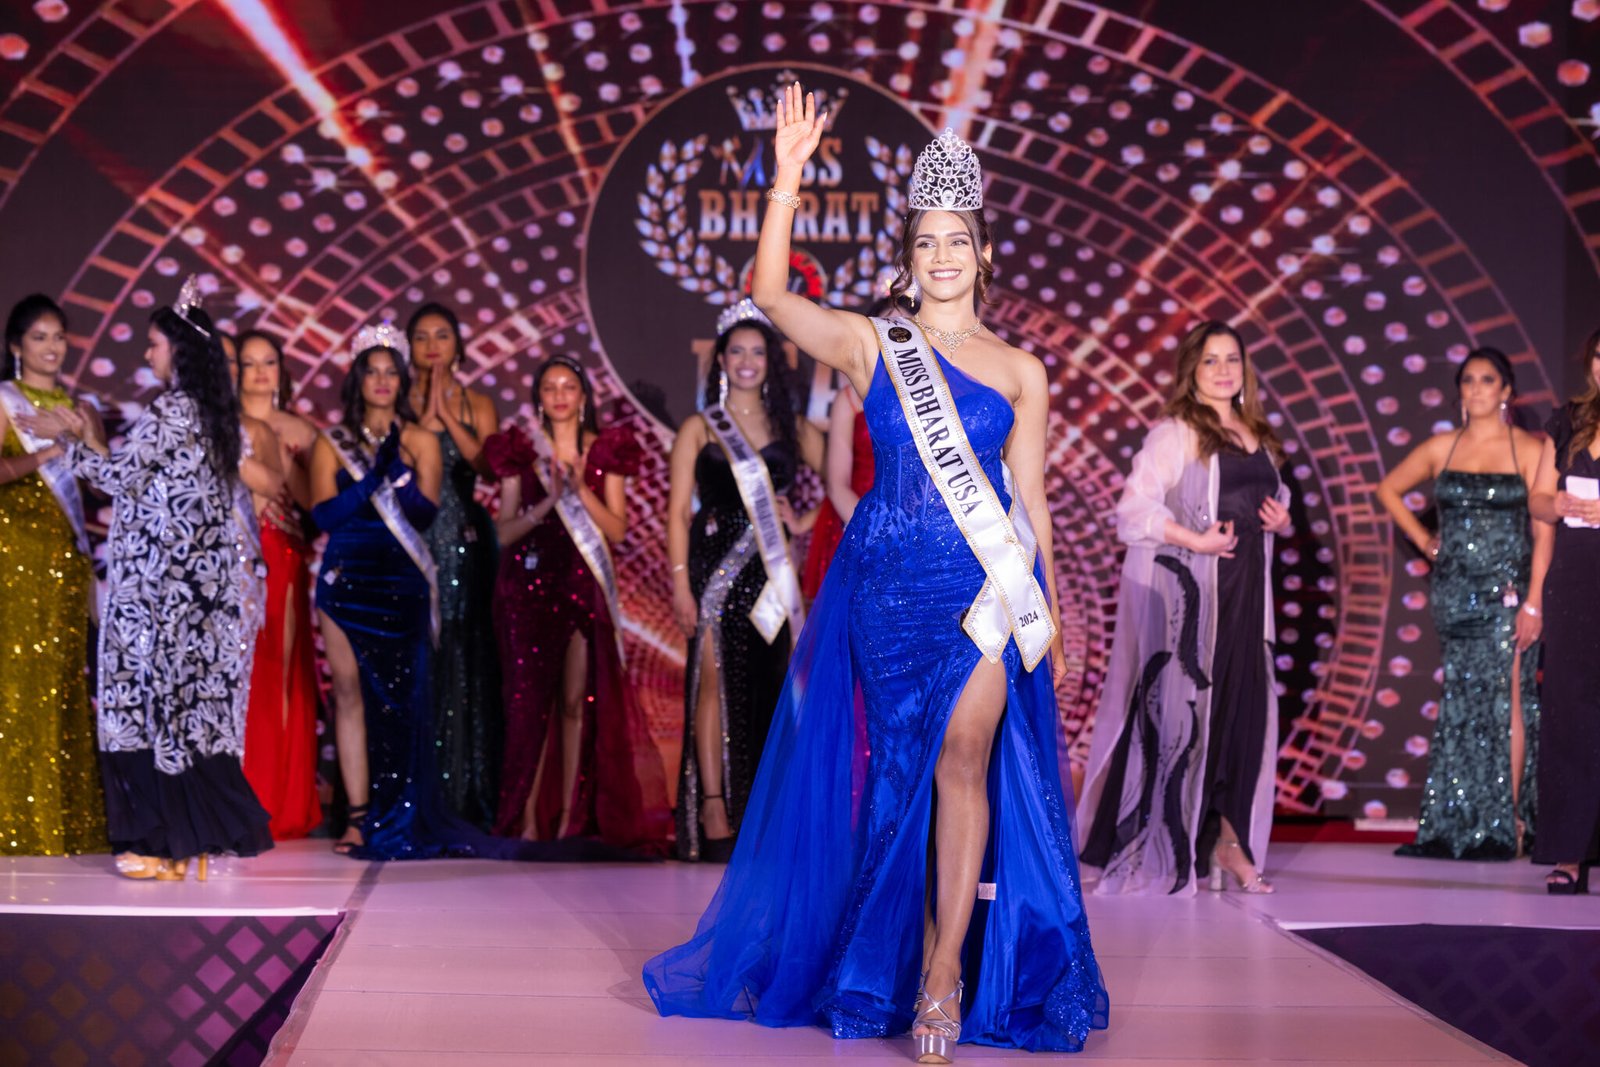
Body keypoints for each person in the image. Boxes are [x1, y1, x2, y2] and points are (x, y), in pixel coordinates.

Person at [645, 87, 1108, 1060]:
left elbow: (1028, 502)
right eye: (925, 242)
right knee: (898, 779)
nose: (942, 257)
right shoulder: (871, 341)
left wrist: (1053, 614)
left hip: (980, 594)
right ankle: (887, 957)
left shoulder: (1021, 370)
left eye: (957, 241)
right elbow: (774, 299)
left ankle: (941, 975)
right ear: (908, 255)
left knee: (964, 758)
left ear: (984, 252)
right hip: (886, 592)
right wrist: (785, 178)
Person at [22, 280, 273, 880]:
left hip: (161, 595)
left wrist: (64, 439)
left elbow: (118, 479)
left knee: (148, 710)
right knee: (181, 716)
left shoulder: (172, 409)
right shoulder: (214, 415)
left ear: (178, 350)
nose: (147, 354)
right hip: (197, 593)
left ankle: (162, 844)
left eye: (155, 344)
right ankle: (182, 847)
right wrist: (82, 439)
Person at [1076, 321, 1292, 896]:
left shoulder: (1259, 435)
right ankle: (1145, 845)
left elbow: (1267, 499)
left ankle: (1228, 842)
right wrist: (1195, 540)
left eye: (1232, 359)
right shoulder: (1175, 434)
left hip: (1247, 600)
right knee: (1178, 726)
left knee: (1242, 720)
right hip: (1195, 606)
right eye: (1210, 360)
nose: (1223, 370)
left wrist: (1281, 519)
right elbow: (1133, 511)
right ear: (1191, 371)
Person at [482, 354, 671, 851]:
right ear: (538, 399)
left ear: (584, 396)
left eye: (569, 386)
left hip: (583, 586)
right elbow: (502, 532)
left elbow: (618, 529)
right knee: (528, 706)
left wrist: (579, 490)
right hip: (527, 591)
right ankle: (526, 819)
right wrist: (547, 503)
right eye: (550, 387)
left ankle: (568, 818)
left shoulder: (606, 450)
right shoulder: (521, 453)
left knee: (573, 704)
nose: (560, 395)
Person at [665, 300, 823, 862]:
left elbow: (847, 481)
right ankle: (713, 806)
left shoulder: (793, 428)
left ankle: (761, 816)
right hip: (713, 570)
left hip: (771, 578)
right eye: (737, 351)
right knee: (711, 682)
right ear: (721, 360)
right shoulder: (699, 426)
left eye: (758, 351)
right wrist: (680, 584)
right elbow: (676, 514)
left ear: (771, 362)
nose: (747, 361)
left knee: (767, 684)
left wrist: (803, 521)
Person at [1377, 347, 1547, 861]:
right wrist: (1426, 542)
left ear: (1506, 391)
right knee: (1464, 703)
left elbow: (1545, 533)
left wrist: (1534, 602)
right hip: (1455, 593)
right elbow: (1387, 490)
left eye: (1487, 380)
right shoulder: (1442, 446)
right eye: (1468, 380)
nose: (1475, 389)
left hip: (1509, 593)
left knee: (1510, 698)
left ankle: (1509, 821)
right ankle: (1465, 819)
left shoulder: (1530, 449)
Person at [0, 294, 106, 856]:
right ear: (16, 346)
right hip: (14, 556)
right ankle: (16, 818)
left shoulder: (79, 407)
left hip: (66, 562)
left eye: (59, 336)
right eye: (39, 337)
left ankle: (63, 819)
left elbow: (107, 476)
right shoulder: (5, 400)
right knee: (17, 682)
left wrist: (79, 437)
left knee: (63, 683)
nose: (52, 347)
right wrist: (43, 455)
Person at [406, 302, 502, 828]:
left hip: (463, 540)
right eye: (422, 337)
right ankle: (415, 791)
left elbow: (488, 465)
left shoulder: (477, 402)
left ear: (459, 345)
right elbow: (398, 462)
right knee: (419, 653)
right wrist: (424, 415)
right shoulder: (395, 399)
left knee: (464, 656)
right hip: (412, 539)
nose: (433, 346)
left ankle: (467, 790)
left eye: (442, 335)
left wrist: (446, 415)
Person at [234, 329, 323, 840]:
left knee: (278, 669)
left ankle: (279, 798)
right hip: (229, 555)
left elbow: (316, 505)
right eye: (249, 363)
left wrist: (288, 467)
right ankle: (239, 790)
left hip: (281, 554)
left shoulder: (300, 430)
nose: (260, 372)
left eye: (269, 362)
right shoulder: (221, 422)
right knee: (239, 676)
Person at [1530, 327, 1600, 893]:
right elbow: (1536, 498)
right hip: (1574, 583)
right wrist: (1553, 502)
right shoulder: (1568, 420)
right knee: (1570, 715)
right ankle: (1569, 853)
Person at [800, 381, 873, 600]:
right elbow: (837, 484)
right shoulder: (849, 397)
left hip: (916, 526)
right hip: (855, 519)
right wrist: (876, 531)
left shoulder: (930, 393)